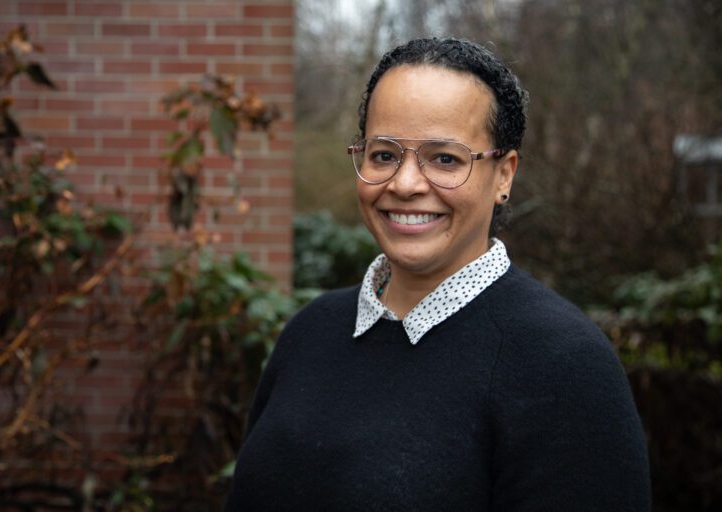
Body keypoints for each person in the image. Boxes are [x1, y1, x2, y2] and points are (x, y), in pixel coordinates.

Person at [224, 37, 650, 511]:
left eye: (445, 158)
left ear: (504, 175)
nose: (405, 184)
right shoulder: (311, 331)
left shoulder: (564, 366)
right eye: (384, 154)